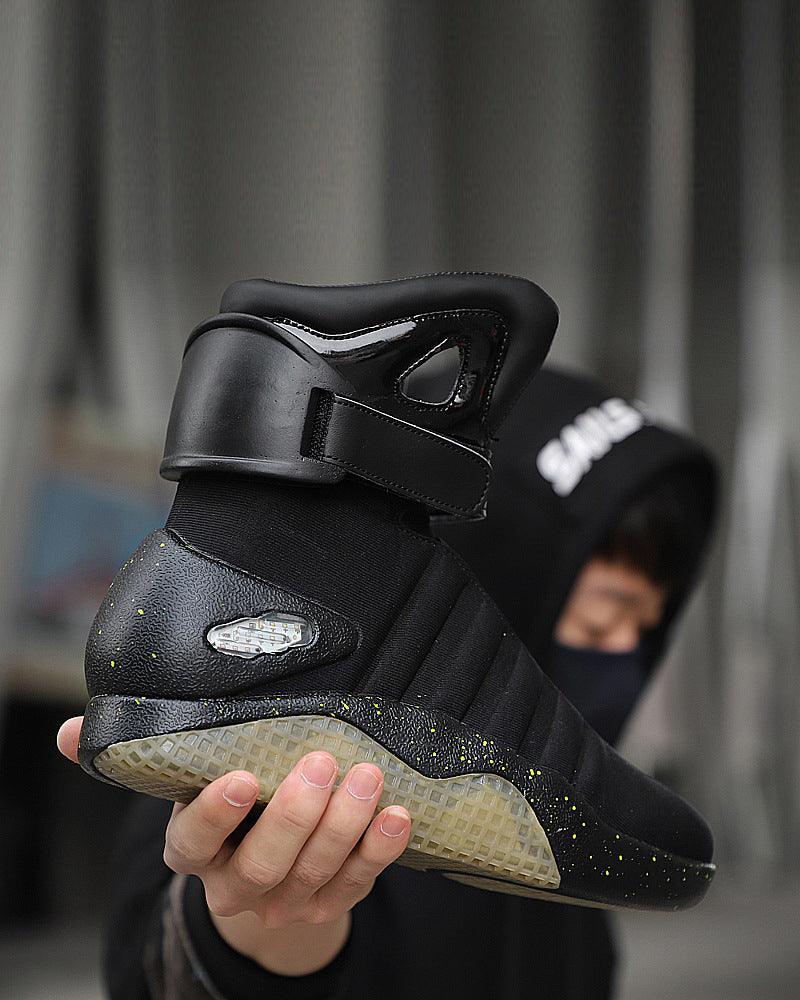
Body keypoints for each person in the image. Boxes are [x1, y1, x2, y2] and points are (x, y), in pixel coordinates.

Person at [57, 366, 716, 1000]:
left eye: (647, 628)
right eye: (602, 619)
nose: (626, 652)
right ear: (495, 568)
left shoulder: (555, 833)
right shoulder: (241, 746)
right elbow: (159, 970)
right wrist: (262, 929)